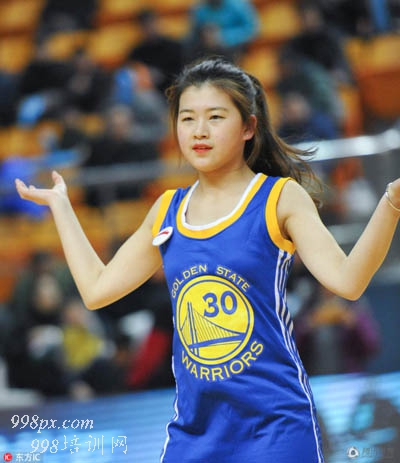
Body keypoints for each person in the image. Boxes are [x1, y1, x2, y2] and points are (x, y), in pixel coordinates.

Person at [14, 57, 400, 462]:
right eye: (187, 118)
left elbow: (348, 282)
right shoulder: (166, 210)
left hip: (275, 427)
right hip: (194, 432)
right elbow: (96, 290)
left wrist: (391, 202)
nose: (199, 130)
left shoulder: (279, 197)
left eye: (215, 117)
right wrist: (61, 207)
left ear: (248, 127)